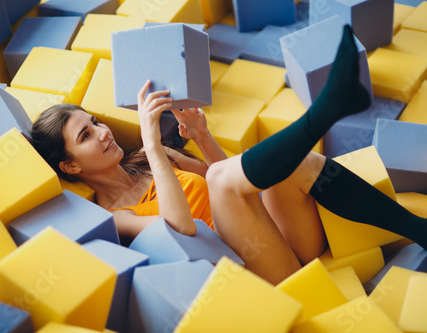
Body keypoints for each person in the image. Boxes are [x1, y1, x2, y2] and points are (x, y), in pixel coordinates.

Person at [31, 25, 427, 284]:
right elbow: (183, 230)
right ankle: (324, 112)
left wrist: (201, 136)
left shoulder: (151, 160)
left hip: (280, 240)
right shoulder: (114, 216)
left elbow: (231, 178)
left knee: (291, 166)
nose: (102, 133)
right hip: (254, 275)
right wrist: (152, 146)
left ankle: (419, 230)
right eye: (86, 135)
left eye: (95, 123)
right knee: (226, 180)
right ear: (71, 165)